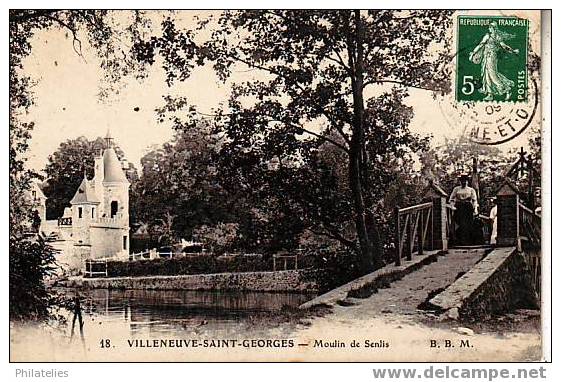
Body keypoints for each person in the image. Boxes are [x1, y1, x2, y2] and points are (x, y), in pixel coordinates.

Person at [469, 21, 520, 101]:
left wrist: (513, 51)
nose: (489, 28)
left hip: (492, 57)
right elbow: (481, 45)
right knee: (486, 74)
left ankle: (507, 90)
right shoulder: (489, 36)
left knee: (493, 75)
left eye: (490, 27)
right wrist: (474, 53)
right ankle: (490, 94)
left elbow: (504, 46)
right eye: (489, 27)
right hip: (486, 56)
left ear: (494, 28)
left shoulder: (496, 37)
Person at [449, 173, 479, 245]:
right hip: (459, 208)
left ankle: (468, 241)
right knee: (460, 224)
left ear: (467, 181)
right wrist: (452, 207)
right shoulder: (456, 189)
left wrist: (475, 209)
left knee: (468, 224)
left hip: (468, 208)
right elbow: (451, 199)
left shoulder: (471, 190)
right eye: (462, 181)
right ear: (460, 181)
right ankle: (459, 241)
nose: (464, 182)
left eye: (465, 181)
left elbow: (474, 200)